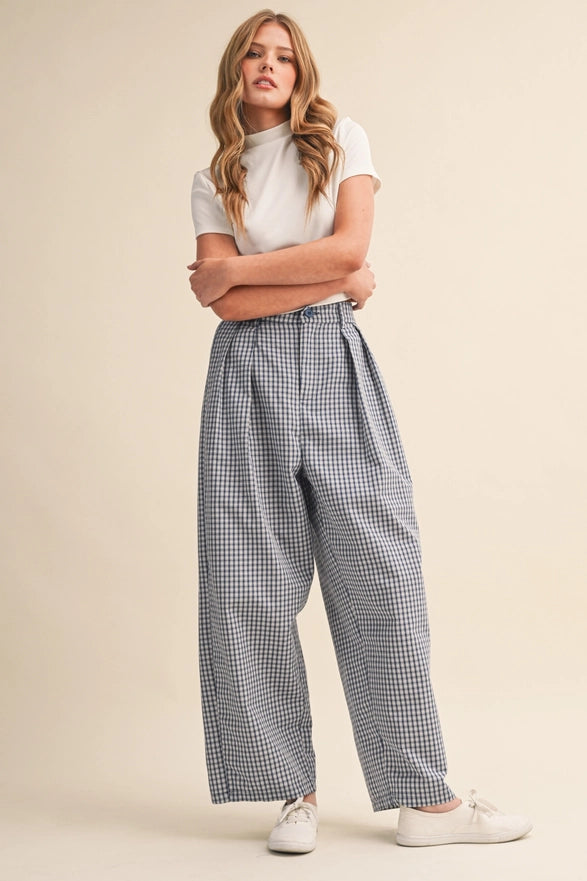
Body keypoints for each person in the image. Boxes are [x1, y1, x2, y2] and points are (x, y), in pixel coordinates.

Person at [187, 8, 532, 854]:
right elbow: (228, 305)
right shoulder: (212, 177)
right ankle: (292, 794)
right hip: (245, 373)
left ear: (300, 71)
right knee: (249, 586)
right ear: (235, 71)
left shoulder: (342, 140)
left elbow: (346, 249)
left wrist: (247, 270)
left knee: (382, 572)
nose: (269, 66)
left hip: (333, 360)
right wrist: (325, 277)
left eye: (283, 56)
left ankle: (425, 800)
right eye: (254, 54)